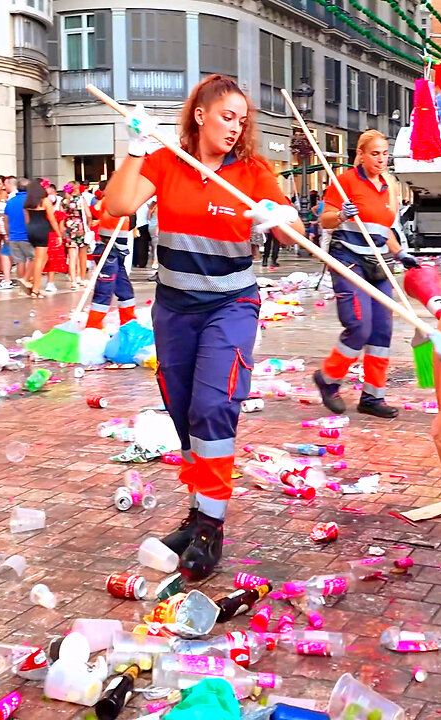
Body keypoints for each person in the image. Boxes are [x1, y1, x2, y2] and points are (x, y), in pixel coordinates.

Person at [103, 74, 304, 579]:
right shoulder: (167, 160)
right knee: (182, 410)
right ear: (200, 115)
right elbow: (119, 206)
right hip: (174, 307)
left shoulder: (253, 171)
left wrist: (275, 216)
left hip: (229, 305)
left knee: (214, 404)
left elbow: (295, 234)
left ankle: (212, 524)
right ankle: (197, 513)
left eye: (242, 119)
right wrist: (134, 147)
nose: (235, 127)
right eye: (226, 116)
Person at [313, 130, 418, 419]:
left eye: (385, 153)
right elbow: (325, 218)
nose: (381, 159)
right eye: (375, 153)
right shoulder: (345, 181)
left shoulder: (390, 184)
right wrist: (342, 215)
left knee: (382, 330)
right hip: (349, 259)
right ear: (360, 154)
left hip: (379, 262)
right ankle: (328, 378)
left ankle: (373, 396)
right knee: (359, 325)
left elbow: (385, 231)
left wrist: (400, 254)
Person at [86, 195, 136, 329]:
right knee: (104, 290)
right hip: (108, 250)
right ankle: (93, 326)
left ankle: (129, 324)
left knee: (125, 290)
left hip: (116, 252)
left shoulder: (121, 200)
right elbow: (95, 210)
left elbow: (95, 210)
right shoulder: (116, 200)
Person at [23, 180, 60, 298]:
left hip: (31, 229)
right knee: (40, 259)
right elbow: (52, 219)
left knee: (42, 257)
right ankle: (35, 289)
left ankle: (29, 279)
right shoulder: (45, 201)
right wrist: (58, 233)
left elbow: (27, 219)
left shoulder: (28, 202)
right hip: (42, 229)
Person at [5, 177, 33, 291]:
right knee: (32, 259)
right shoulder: (30, 201)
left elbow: (5, 220)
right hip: (27, 235)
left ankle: (21, 284)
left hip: (14, 236)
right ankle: (28, 281)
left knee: (19, 261)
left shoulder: (10, 201)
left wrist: (8, 234)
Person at [61, 182, 89, 289]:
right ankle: (81, 278)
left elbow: (62, 216)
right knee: (83, 255)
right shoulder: (81, 200)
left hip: (69, 227)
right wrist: (88, 224)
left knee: (72, 256)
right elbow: (88, 214)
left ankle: (73, 281)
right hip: (80, 227)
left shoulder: (64, 201)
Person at [42, 182, 69, 292]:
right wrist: (61, 236)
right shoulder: (59, 210)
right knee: (52, 261)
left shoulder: (41, 207)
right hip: (54, 235)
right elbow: (61, 227)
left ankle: (34, 281)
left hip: (44, 234)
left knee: (42, 259)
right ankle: (50, 282)